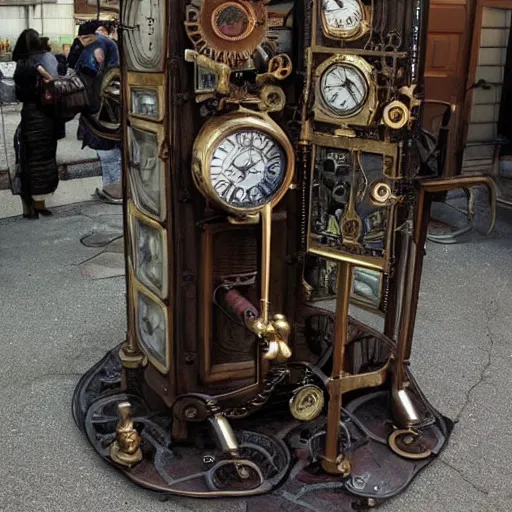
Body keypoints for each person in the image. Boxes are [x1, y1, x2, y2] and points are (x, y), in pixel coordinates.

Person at [12, 28, 64, 218]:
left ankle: (31, 206)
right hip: (45, 115)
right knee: (45, 158)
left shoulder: (19, 64)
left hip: (29, 115)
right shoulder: (39, 61)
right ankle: (40, 203)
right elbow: (52, 79)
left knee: (28, 159)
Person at [74, 21, 122, 204]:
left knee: (108, 150)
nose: (82, 41)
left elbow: (88, 70)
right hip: (110, 102)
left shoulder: (97, 45)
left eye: (84, 38)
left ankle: (115, 190)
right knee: (112, 149)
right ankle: (111, 187)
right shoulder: (106, 43)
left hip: (103, 106)